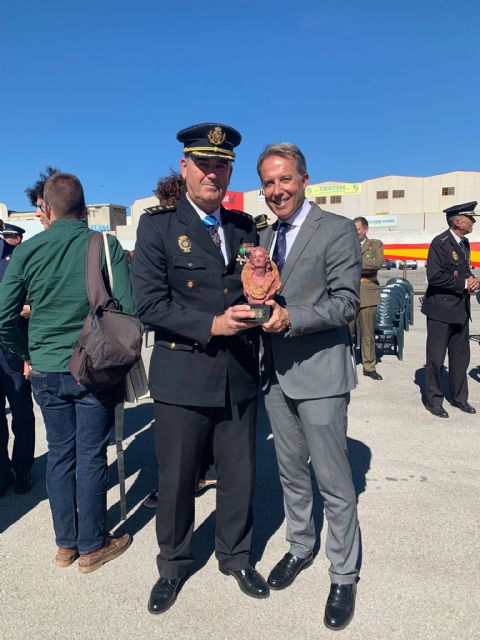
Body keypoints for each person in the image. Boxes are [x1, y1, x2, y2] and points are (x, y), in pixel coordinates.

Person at [131, 123, 269, 614]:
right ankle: (172, 565)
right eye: (204, 164)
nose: (214, 173)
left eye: (222, 165)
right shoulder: (158, 227)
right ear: (185, 168)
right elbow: (148, 304)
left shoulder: (244, 228)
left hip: (238, 375)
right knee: (175, 481)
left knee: (241, 476)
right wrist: (210, 323)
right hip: (184, 375)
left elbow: (259, 289)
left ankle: (236, 557)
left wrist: (269, 314)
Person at [0, 173, 134, 571]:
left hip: (44, 367)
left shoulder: (28, 250)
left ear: (46, 207)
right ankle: (92, 545)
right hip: (93, 366)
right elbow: (128, 310)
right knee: (91, 454)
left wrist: (27, 350)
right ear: (84, 205)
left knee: (60, 454)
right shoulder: (104, 245)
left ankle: (65, 544)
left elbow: (4, 315)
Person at [257, 143, 361, 631]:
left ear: (304, 180)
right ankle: (301, 546)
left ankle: (343, 573)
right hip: (274, 375)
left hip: (319, 373)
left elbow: (344, 304)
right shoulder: (264, 236)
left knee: (333, 481)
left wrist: (290, 318)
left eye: (284, 180)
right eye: (269, 183)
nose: (276, 190)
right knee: (291, 473)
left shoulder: (336, 231)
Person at [140, 171, 217, 510]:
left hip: (216, 356)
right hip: (179, 359)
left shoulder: (226, 229)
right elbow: (150, 303)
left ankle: (202, 473)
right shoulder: (156, 229)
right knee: (176, 458)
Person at [422, 201, 480, 418]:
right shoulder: (440, 243)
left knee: (460, 357)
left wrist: (472, 281)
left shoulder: (464, 244)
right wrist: (464, 284)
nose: (473, 221)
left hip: (460, 310)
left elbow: (463, 272)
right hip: (441, 310)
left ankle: (459, 398)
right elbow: (434, 277)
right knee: (436, 358)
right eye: (470, 218)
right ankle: (434, 400)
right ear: (457, 221)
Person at [0, 223, 35, 497]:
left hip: (13, 348)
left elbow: (34, 300)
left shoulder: (18, 256)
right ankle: (2, 472)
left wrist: (28, 354)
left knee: (21, 413)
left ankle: (23, 470)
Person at [352, 217, 384, 380]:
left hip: (368, 292)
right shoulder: (346, 244)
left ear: (365, 229)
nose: (354, 232)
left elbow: (376, 263)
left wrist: (352, 262)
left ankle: (369, 366)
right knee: (345, 331)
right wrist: (365, 264)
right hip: (348, 293)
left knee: (368, 333)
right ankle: (344, 363)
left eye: (356, 229)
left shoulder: (376, 244)